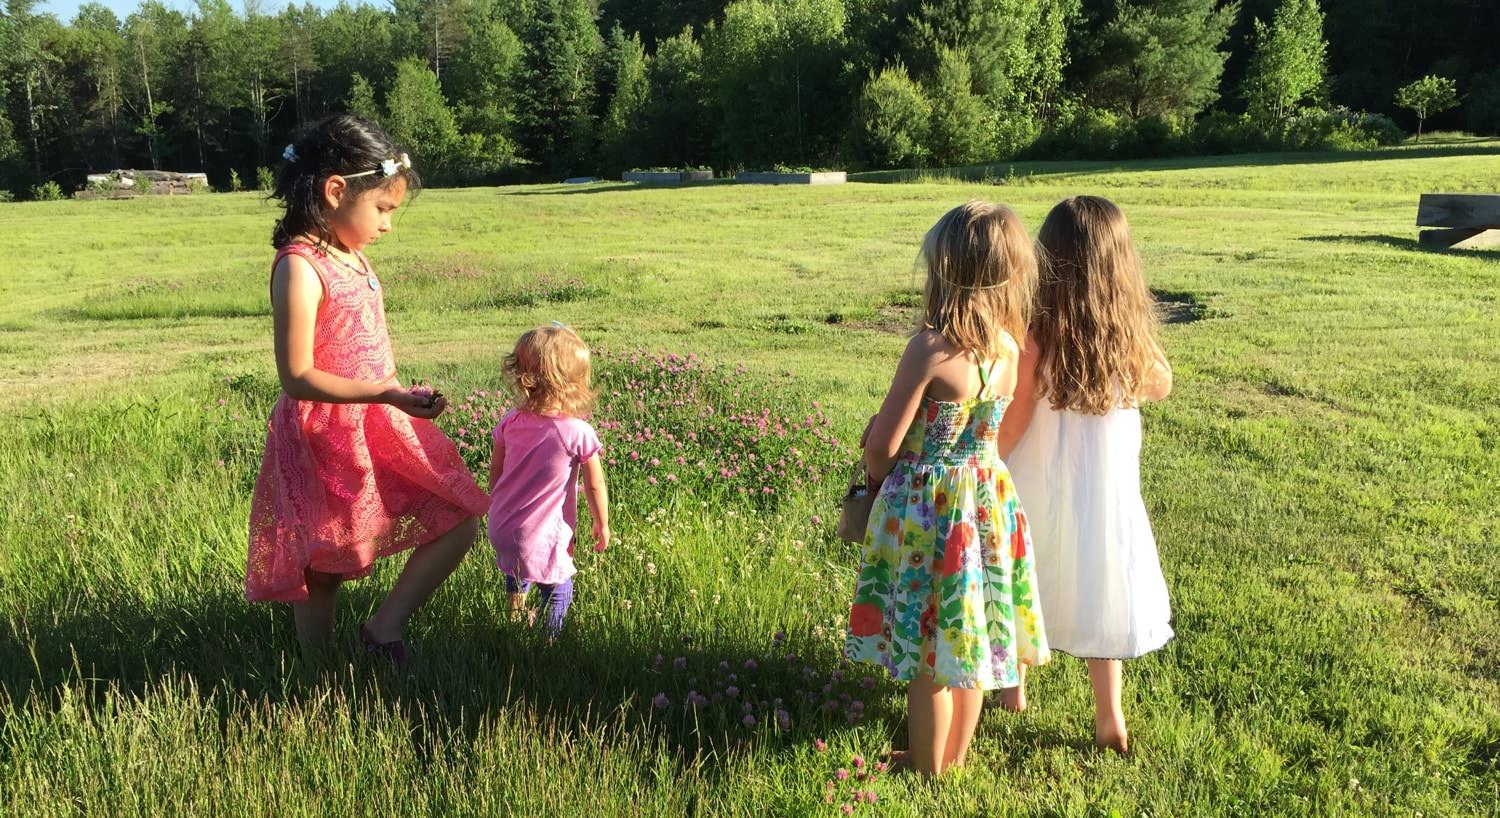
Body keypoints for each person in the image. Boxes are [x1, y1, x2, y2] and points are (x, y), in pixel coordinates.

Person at [245, 113, 488, 668]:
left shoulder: (351, 255)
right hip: (325, 434)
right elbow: (297, 376)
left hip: (382, 418)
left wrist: (399, 397)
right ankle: (319, 671)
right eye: (382, 208)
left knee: (458, 516)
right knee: (327, 565)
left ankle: (383, 629)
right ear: (336, 192)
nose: (387, 224)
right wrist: (382, 395)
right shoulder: (300, 268)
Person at [845, 201, 1050, 776]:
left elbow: (882, 449)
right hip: (986, 503)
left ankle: (926, 766)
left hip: (928, 514)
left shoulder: (931, 348)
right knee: (969, 639)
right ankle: (954, 755)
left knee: (925, 652)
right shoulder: (1009, 349)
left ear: (945, 272)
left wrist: (878, 466)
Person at [997, 195, 1175, 753]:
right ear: (1120, 266)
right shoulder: (1126, 339)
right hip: (1105, 494)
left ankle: (1014, 687)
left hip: (1035, 483)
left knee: (1026, 578)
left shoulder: (1035, 339)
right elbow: (1161, 384)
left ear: (1046, 261)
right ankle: (1109, 717)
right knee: (1099, 587)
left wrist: (986, 459)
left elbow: (1017, 421)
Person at [487, 324, 610, 638]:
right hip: (543, 533)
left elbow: (496, 475)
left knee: (519, 571)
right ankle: (548, 640)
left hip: (503, 526)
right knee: (557, 587)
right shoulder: (577, 432)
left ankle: (515, 625)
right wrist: (602, 523)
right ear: (571, 384)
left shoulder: (510, 423)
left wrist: (499, 507)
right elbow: (595, 486)